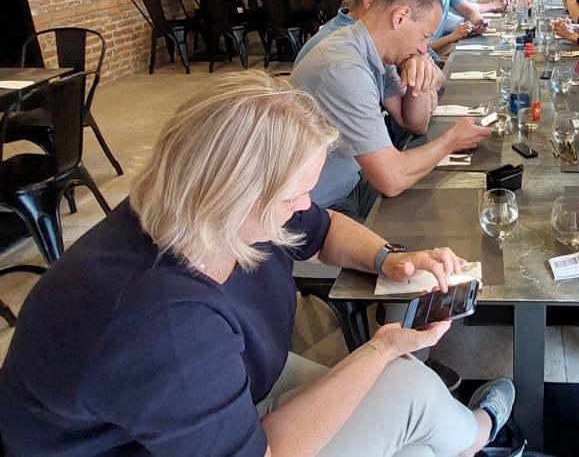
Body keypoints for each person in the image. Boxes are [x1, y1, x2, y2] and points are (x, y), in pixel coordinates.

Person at [0, 71, 515, 456]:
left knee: (411, 407)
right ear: (234, 194)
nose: (304, 204)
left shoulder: (200, 209)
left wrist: (390, 258)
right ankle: (480, 435)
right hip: (166, 439)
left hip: (232, 390)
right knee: (407, 389)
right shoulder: (162, 321)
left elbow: (323, 228)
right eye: (293, 195)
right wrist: (380, 348)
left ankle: (464, 439)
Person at [290, 0, 491, 215]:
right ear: (399, 17)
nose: (423, 48)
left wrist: (418, 75)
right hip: (313, 209)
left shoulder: (374, 50)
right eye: (424, 36)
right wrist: (451, 141)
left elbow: (415, 124)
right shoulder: (344, 70)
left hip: (352, 184)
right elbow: (391, 179)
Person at [294, 0, 409, 65]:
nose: (402, 21)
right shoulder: (344, 49)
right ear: (369, 0)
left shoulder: (349, 29)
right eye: (400, 13)